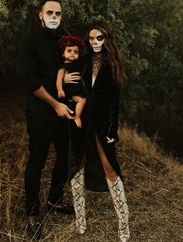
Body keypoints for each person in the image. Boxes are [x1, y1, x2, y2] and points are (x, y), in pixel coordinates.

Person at [18, 0, 75, 240]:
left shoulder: (65, 37)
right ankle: (32, 212)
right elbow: (30, 82)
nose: (54, 16)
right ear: (40, 15)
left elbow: (76, 61)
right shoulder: (30, 42)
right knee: (37, 160)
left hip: (65, 108)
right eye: (49, 12)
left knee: (66, 156)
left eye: (58, 13)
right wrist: (55, 104)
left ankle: (54, 200)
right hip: (41, 110)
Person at [68, 23, 130, 242]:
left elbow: (115, 101)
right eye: (92, 38)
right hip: (81, 123)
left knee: (110, 169)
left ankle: (124, 226)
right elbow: (70, 86)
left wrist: (113, 128)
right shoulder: (82, 62)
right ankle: (81, 221)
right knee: (78, 168)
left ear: (106, 40)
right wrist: (64, 80)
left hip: (103, 125)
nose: (95, 42)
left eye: (99, 38)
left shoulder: (112, 65)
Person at [56, 35, 86, 128]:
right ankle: (77, 117)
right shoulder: (63, 67)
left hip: (77, 89)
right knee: (82, 100)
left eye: (75, 52)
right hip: (70, 91)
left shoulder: (77, 64)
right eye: (69, 51)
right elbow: (59, 80)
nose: (72, 53)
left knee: (83, 100)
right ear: (63, 54)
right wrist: (60, 90)